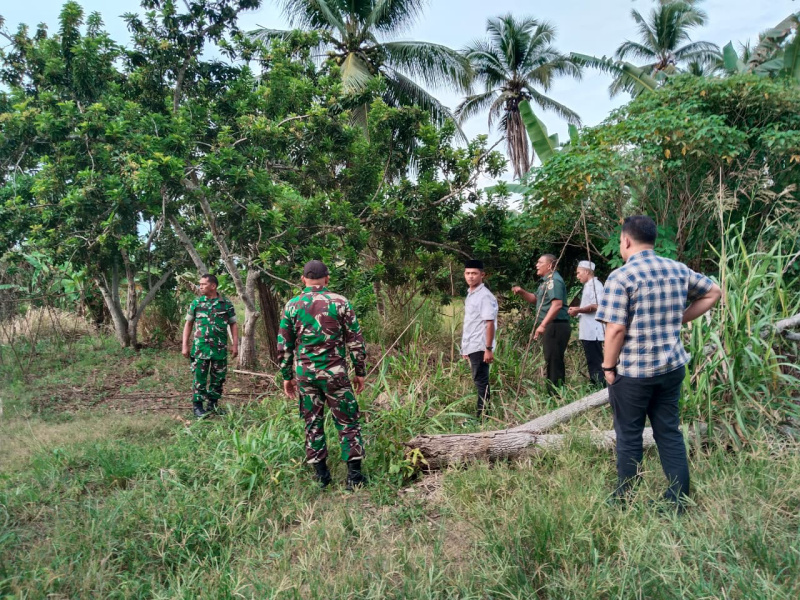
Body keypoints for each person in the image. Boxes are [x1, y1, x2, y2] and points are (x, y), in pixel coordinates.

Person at [596, 215, 721, 512]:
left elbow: (615, 329)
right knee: (668, 432)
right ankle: (679, 499)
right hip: (671, 367)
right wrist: (679, 317)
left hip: (634, 372)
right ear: (651, 239)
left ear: (626, 241)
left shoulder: (621, 277)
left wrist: (608, 368)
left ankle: (624, 500)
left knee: (629, 434)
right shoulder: (676, 269)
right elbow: (714, 292)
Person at [277, 260, 368, 490]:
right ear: (327, 278)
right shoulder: (340, 302)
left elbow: (284, 345)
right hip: (335, 374)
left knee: (312, 422)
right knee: (348, 421)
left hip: (306, 375)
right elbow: (355, 341)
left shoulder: (292, 305)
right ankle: (354, 478)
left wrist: (287, 376)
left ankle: (321, 477)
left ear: (303, 279)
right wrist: (360, 372)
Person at [182, 274, 238, 418]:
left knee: (218, 377)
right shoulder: (196, 303)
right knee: (199, 377)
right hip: (200, 348)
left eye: (203, 284)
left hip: (219, 349)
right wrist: (185, 345)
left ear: (213, 286)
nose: (200, 287)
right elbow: (188, 324)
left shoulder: (226, 304)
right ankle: (198, 407)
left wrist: (235, 345)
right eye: (199, 284)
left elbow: (233, 324)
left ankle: (212, 405)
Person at [512, 254, 571, 391]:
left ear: (549, 265)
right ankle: (555, 391)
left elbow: (557, 305)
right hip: (553, 325)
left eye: (540, 262)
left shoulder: (554, 281)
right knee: (551, 359)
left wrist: (543, 325)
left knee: (554, 360)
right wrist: (521, 292)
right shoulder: (545, 282)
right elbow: (535, 299)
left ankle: (555, 393)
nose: (536, 265)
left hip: (556, 325)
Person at [460, 259, 499, 418]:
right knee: (479, 381)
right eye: (468, 273)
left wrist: (488, 349)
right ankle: (484, 414)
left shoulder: (484, 296)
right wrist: (465, 349)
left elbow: (489, 323)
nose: (471, 276)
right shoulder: (471, 294)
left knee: (481, 381)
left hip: (480, 346)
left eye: (474, 273)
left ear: (482, 275)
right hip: (472, 345)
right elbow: (471, 323)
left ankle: (482, 417)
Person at [568, 260, 605, 386]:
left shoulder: (595, 285)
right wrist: (578, 310)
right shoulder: (588, 285)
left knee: (595, 361)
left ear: (586, 271)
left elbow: (597, 305)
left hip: (593, 331)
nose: (577, 276)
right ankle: (595, 383)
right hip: (587, 330)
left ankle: (599, 385)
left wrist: (579, 309)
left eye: (579, 273)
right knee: (592, 360)